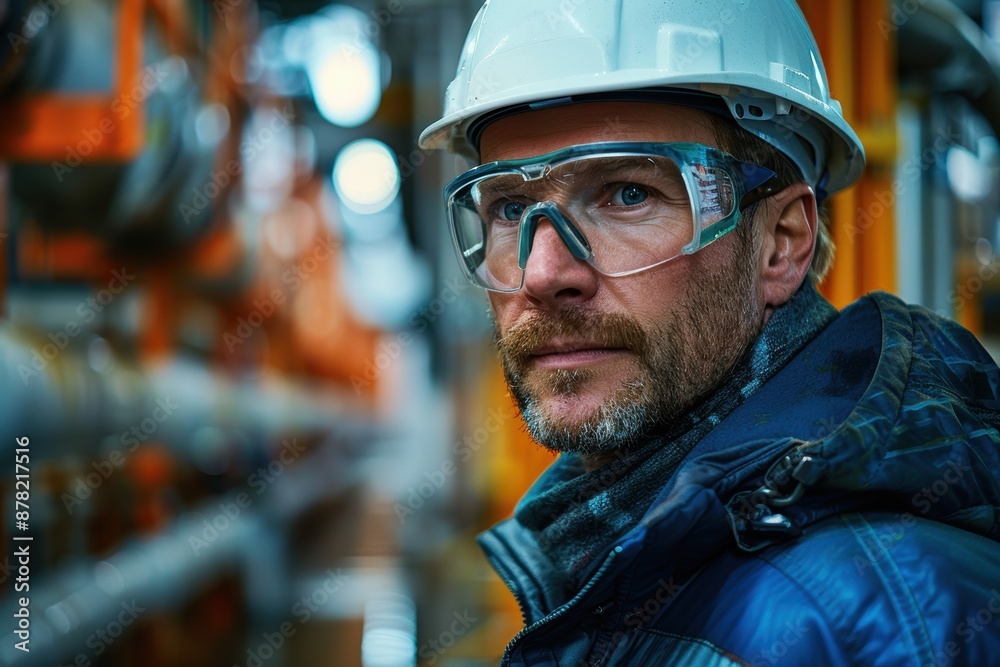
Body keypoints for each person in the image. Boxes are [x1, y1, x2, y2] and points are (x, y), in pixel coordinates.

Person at [419, 0, 1000, 664]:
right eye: (510, 207)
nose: (543, 272)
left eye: (628, 193)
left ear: (781, 242)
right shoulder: (607, 547)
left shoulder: (879, 626)